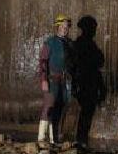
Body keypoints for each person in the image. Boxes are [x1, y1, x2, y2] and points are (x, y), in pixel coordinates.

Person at [37, 14, 73, 143]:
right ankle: (41, 138)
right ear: (57, 27)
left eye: (67, 26)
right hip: (51, 79)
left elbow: (72, 64)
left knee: (60, 107)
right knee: (49, 106)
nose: (64, 29)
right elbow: (42, 61)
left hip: (64, 81)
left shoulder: (70, 44)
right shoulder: (50, 42)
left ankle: (54, 139)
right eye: (62, 26)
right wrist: (44, 80)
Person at [72, 16, 105, 146]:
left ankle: (82, 138)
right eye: (93, 28)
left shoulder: (85, 43)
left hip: (88, 80)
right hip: (85, 81)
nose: (94, 31)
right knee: (86, 111)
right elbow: (96, 62)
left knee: (87, 111)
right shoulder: (83, 44)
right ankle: (81, 139)